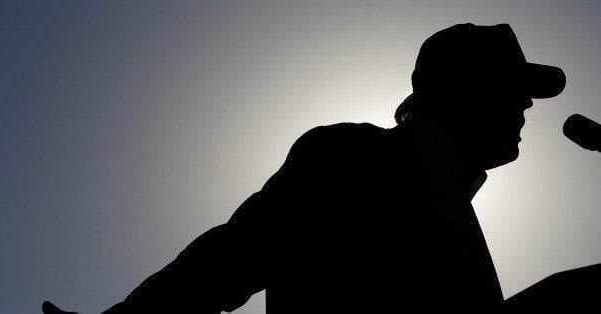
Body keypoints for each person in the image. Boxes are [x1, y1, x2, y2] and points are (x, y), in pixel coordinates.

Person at [43, 23, 595, 314]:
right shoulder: (353, 157)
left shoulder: (457, 205)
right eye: (510, 90)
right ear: (450, 92)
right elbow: (234, 255)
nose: (525, 108)